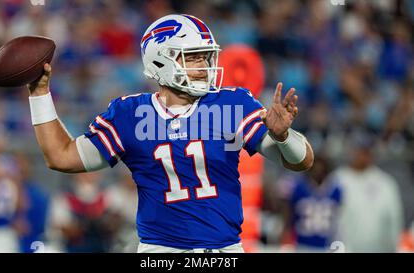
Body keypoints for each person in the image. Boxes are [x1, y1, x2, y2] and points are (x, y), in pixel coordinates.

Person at [26, 14, 314, 253]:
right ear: (160, 61)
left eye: (206, 56)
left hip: (224, 252)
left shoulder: (230, 104)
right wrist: (40, 94)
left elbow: (301, 161)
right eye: (193, 57)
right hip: (161, 253)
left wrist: (283, 136)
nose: (204, 66)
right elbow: (61, 157)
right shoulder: (130, 114)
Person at [332, 131, 403, 252]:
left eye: (366, 151)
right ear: (351, 151)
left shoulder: (385, 182)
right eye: (359, 150)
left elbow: (395, 220)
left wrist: (395, 247)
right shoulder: (336, 180)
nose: (363, 155)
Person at [278, 155, 342, 252]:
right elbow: (288, 213)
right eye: (315, 169)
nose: (318, 172)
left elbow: (339, 219)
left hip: (326, 245)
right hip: (301, 244)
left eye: (322, 170)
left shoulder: (336, 190)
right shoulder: (298, 187)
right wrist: (286, 232)